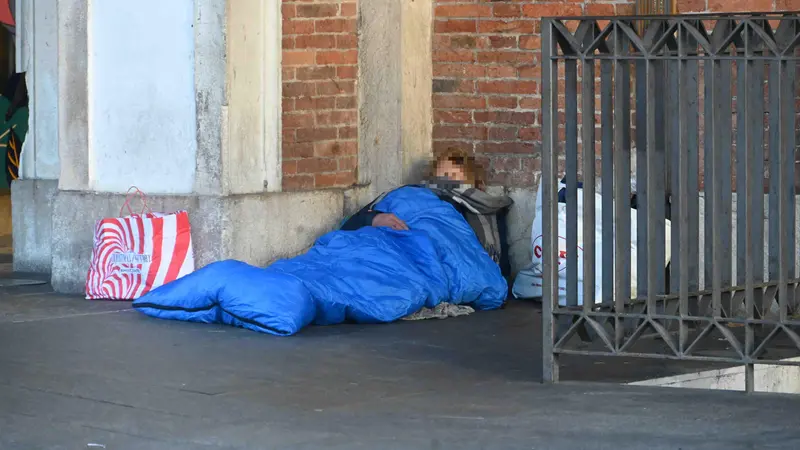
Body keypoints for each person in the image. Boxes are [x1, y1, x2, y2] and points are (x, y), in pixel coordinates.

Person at [341, 148, 514, 279]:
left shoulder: (481, 211)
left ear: (472, 184)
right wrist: (375, 218)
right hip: (381, 244)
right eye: (442, 175)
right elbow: (349, 226)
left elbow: (495, 269)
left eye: (454, 176)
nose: (445, 181)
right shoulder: (412, 192)